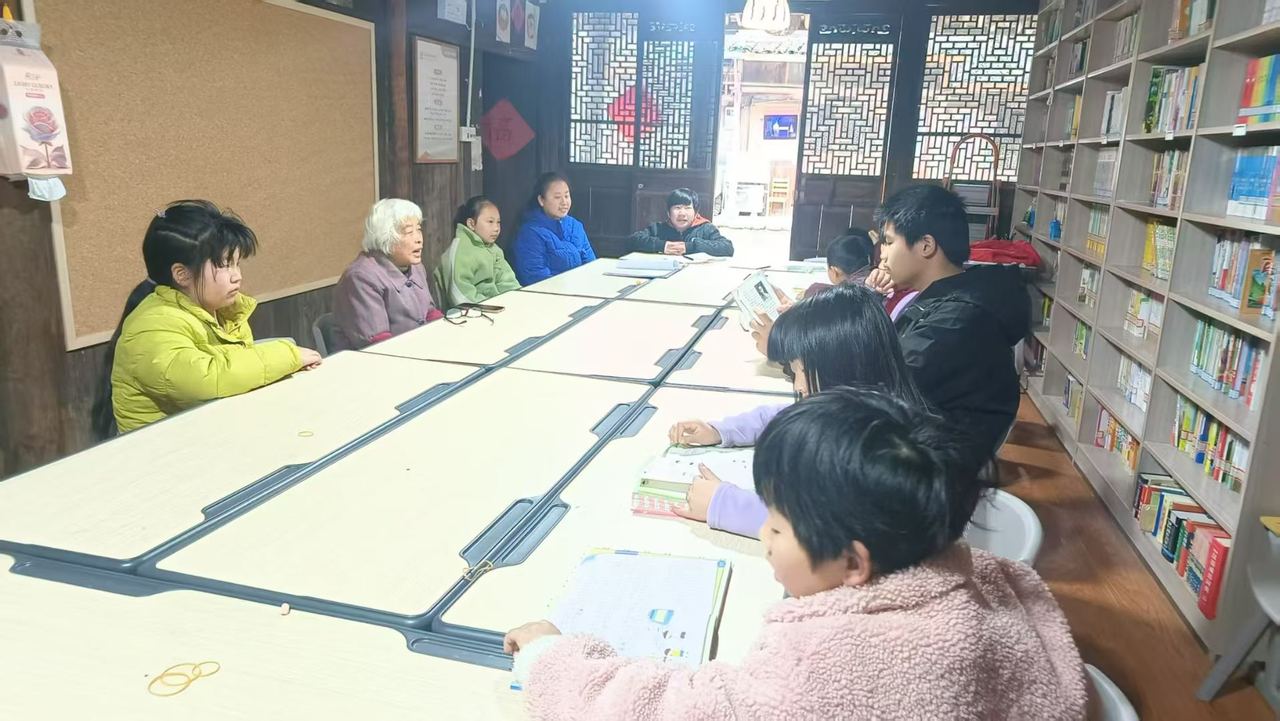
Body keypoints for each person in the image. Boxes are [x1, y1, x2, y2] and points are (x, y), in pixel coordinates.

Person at [504, 389, 1087, 720]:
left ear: (853, 564)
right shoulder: (970, 574)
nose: (764, 535)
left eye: (778, 526)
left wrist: (551, 660)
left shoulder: (826, 664)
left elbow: (673, 711)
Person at [668, 284, 928, 538]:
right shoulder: (861, 408)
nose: (798, 385)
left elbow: (824, 531)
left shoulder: (878, 456)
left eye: (800, 370)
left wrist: (724, 505)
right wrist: (719, 431)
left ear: (839, 367)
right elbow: (784, 415)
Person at [94, 200, 321, 436]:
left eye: (237, 264)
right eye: (224, 265)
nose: (237, 276)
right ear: (182, 274)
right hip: (164, 450)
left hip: (207, 436)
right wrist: (288, 356)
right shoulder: (150, 325)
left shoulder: (222, 311)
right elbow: (207, 379)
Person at [871, 184, 1030, 465]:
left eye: (889, 242)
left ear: (926, 245)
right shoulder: (951, 298)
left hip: (930, 464)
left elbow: (885, 383)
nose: (882, 254)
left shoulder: (958, 318)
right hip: (919, 443)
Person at [332, 198, 444, 351]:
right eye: (409, 232)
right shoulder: (360, 277)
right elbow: (378, 342)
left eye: (418, 230)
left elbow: (430, 313)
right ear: (385, 236)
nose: (418, 239)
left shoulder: (416, 267)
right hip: (379, 358)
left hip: (419, 350)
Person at [512, 172, 596, 284]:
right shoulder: (530, 233)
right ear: (541, 200)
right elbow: (535, 276)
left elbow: (591, 265)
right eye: (557, 197)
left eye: (566, 196)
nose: (564, 202)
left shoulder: (576, 226)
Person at [437, 195, 520, 306]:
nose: (496, 228)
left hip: (497, 306)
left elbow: (507, 280)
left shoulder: (494, 249)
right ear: (471, 224)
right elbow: (460, 295)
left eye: (498, 222)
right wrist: (492, 307)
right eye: (490, 222)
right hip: (471, 311)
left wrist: (517, 299)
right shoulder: (460, 250)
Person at [626, 188, 734, 257]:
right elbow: (633, 241)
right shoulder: (657, 228)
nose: (682, 213)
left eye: (687, 208)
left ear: (696, 212)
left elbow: (727, 247)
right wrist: (662, 245)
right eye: (677, 208)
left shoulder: (706, 228)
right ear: (668, 212)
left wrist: (690, 247)